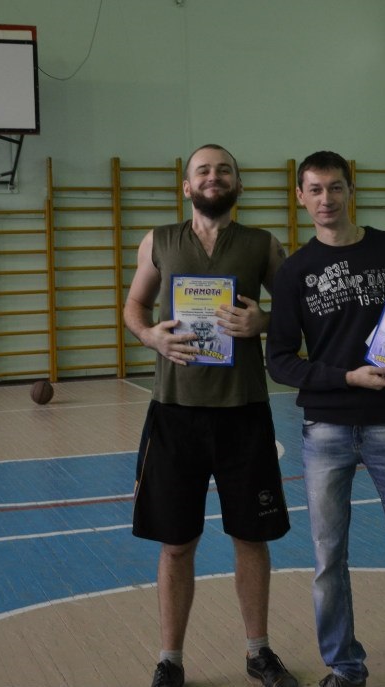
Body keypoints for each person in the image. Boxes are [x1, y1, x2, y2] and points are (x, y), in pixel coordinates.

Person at [266, 150, 385, 687]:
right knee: (328, 559)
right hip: (325, 430)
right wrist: (346, 377)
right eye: (315, 190)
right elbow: (279, 360)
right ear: (300, 198)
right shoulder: (294, 271)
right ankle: (345, 669)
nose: (326, 199)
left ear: (351, 191)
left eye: (335, 187)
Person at [125, 144, 298, 687]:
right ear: (186, 185)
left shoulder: (263, 244)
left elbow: (295, 309)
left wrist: (262, 322)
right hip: (174, 413)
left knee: (251, 538)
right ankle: (170, 660)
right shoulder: (158, 241)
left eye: (224, 170)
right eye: (203, 170)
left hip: (244, 412)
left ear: (238, 184)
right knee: (176, 544)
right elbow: (134, 306)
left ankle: (258, 653)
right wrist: (150, 335)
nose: (214, 176)